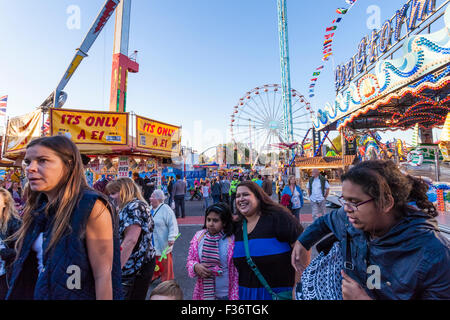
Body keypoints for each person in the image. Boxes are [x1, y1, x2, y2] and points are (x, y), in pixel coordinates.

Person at [292, 160, 450, 300]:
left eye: (354, 202)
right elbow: (326, 221)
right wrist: (303, 242)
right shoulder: (351, 220)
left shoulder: (433, 253)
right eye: (344, 200)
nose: (346, 209)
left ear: (386, 202)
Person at [6, 136, 122, 300]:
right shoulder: (39, 207)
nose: (30, 168)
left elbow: (103, 276)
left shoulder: (92, 206)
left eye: (42, 160)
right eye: (28, 161)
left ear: (68, 165)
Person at [232, 181, 304, 300]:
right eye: (237, 196)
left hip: (279, 294)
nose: (241, 199)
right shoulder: (236, 226)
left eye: (245, 194)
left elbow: (303, 247)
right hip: (245, 295)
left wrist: (298, 287)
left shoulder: (278, 218)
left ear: (258, 197)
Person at [105, 177, 156, 300]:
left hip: (135, 268)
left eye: (113, 193)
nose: (111, 197)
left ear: (124, 191)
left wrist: (115, 269)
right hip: (137, 266)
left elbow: (130, 240)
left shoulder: (134, 207)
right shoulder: (134, 205)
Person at [187, 202, 239, 300]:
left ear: (224, 222)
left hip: (227, 293)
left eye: (215, 220)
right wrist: (195, 266)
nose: (211, 223)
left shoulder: (232, 239)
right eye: (208, 219)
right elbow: (190, 260)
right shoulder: (198, 237)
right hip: (204, 293)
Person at [149, 189, 179, 282]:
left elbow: (172, 224)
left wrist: (171, 237)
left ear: (158, 198)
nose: (150, 198)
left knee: (164, 260)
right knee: (153, 259)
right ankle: (155, 274)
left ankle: (167, 278)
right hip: (152, 240)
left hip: (163, 240)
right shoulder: (150, 209)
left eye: (152, 196)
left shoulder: (166, 209)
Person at [0, 188, 22, 299]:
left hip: (4, 276)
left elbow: (21, 250)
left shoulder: (14, 223)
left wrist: (3, 252)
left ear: (5, 204)